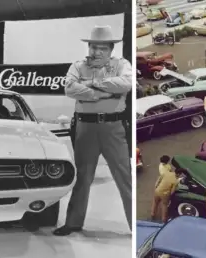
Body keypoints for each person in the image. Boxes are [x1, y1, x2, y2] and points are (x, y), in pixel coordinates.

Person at [53, 26, 132, 236]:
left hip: (113, 127)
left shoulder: (122, 64)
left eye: (103, 48)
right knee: (82, 176)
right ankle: (73, 222)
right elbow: (69, 88)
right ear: (88, 46)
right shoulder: (78, 66)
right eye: (94, 47)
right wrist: (103, 95)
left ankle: (135, 227)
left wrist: (91, 84)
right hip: (85, 127)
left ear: (111, 49)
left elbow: (125, 84)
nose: (97, 52)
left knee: (125, 177)